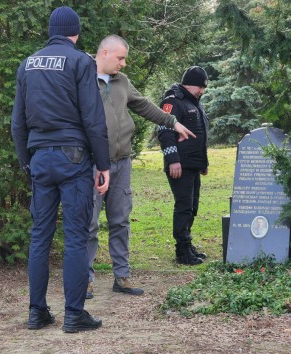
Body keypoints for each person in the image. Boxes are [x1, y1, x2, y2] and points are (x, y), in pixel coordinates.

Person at [11, 6, 110, 333]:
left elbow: (17, 124)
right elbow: (94, 120)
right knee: (76, 237)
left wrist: (27, 161)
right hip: (73, 158)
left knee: (39, 236)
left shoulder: (28, 64)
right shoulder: (82, 62)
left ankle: (36, 312)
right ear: (76, 32)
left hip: (40, 157)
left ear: (51, 30)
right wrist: (103, 164)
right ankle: (73, 314)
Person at [86, 35, 196, 299]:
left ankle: (121, 277)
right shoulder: (82, 79)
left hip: (121, 162)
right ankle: (84, 280)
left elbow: (143, 105)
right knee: (87, 223)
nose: (123, 64)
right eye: (120, 58)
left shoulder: (122, 82)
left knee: (120, 220)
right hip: (90, 164)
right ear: (103, 53)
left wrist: (173, 122)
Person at [157, 66, 210, 266]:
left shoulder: (194, 102)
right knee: (184, 206)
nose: (202, 91)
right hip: (180, 164)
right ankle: (182, 251)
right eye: (200, 87)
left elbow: (200, 135)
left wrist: (203, 163)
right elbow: (164, 132)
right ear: (190, 84)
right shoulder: (173, 101)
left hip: (194, 164)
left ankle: (187, 245)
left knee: (192, 206)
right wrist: (173, 160)